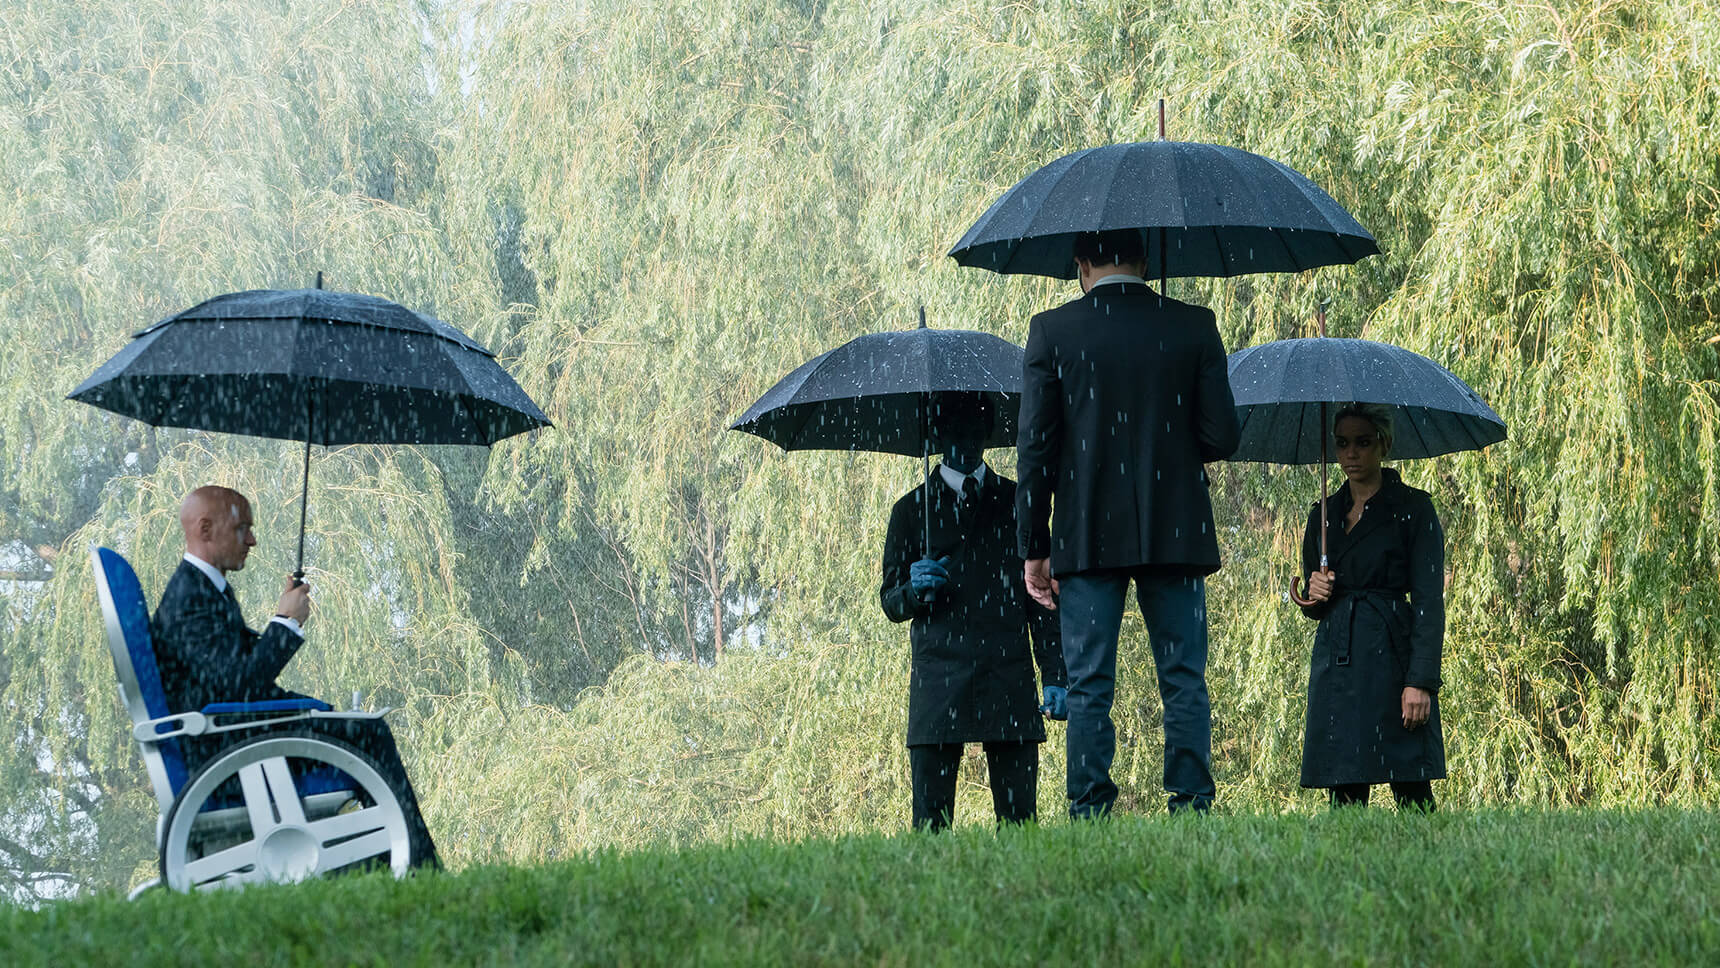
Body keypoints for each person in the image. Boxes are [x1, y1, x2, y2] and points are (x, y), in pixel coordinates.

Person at [1016, 228, 1241, 817]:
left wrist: (1033, 546)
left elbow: (1035, 452)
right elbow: (1222, 437)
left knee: (1090, 683)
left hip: (1087, 532)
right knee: (1184, 676)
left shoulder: (1053, 332)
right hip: (1176, 528)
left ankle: (1090, 807)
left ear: (1081, 263)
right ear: (1145, 258)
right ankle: (1191, 801)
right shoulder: (1194, 325)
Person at [151, 485, 440, 867]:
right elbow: (238, 689)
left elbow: (231, 677)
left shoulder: (205, 590)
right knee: (368, 733)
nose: (252, 540)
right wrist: (284, 622)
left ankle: (390, 860)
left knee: (354, 726)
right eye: (242, 529)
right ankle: (416, 865)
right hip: (227, 751)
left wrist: (283, 626)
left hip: (231, 737)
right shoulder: (190, 598)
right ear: (205, 529)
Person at [880, 394, 1067, 831]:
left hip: (1008, 670)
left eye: (974, 429)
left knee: (1021, 824)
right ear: (939, 434)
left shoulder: (1019, 503)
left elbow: (1040, 598)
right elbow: (890, 601)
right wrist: (914, 589)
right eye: (954, 430)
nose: (964, 441)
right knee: (931, 827)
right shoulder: (910, 512)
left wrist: (1057, 674)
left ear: (988, 433)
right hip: (938, 678)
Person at [1298, 405, 1446, 809]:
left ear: (1383, 443)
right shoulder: (1322, 517)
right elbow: (1313, 605)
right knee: (1345, 790)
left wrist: (1421, 682)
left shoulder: (1414, 509)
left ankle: (1427, 869)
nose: (1351, 454)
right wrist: (1315, 590)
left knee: (1411, 787)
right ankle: (1347, 872)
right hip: (1339, 662)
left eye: (1363, 442)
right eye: (1342, 443)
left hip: (1393, 658)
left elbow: (1430, 602)